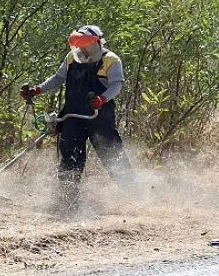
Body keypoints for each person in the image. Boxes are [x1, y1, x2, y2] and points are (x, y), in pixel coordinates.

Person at [20, 25, 136, 215]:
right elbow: (58, 78)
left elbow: (116, 86)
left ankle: (135, 196)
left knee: (112, 155)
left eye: (87, 46)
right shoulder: (71, 58)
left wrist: (102, 99)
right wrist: (37, 89)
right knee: (70, 156)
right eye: (79, 46)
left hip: (99, 116)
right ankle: (67, 200)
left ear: (96, 43)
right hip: (72, 114)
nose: (83, 50)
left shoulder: (111, 60)